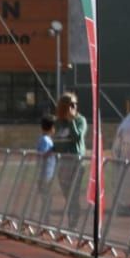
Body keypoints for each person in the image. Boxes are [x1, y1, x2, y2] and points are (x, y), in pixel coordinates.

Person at [52, 92, 88, 222]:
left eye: (75, 104)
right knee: (66, 192)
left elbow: (78, 137)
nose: (73, 107)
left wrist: (71, 120)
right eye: (70, 104)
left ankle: (73, 217)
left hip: (76, 161)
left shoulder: (80, 120)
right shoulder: (58, 123)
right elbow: (55, 142)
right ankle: (73, 209)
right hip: (62, 163)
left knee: (74, 191)